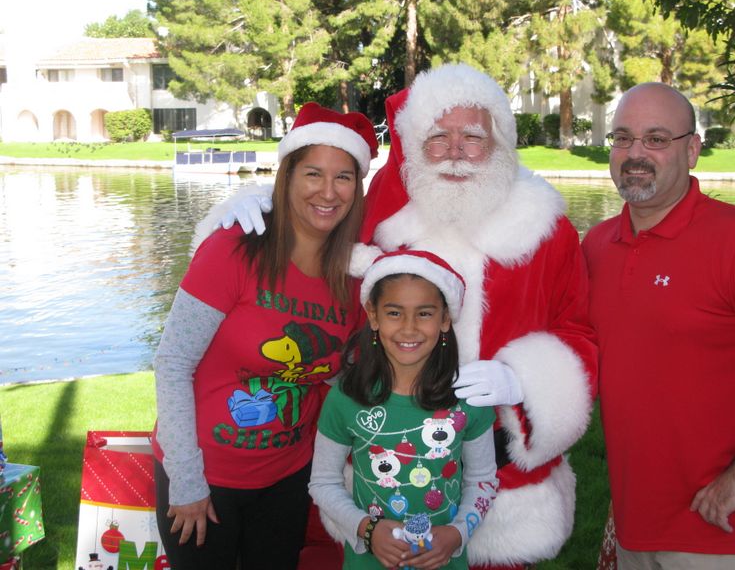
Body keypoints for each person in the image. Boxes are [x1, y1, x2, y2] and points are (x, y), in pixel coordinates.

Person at [199, 63, 598, 568]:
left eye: (472, 137)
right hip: (372, 464)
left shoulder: (545, 228)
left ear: (500, 140)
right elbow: (305, 233)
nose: (454, 151)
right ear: (413, 143)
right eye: (437, 138)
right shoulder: (378, 208)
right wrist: (260, 209)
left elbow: (576, 329)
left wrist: (525, 382)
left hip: (499, 482)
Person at [151, 102, 379, 569]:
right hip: (205, 478)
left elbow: (337, 378)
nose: (328, 192)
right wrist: (188, 481)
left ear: (358, 188)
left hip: (287, 479)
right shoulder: (233, 248)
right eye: (314, 173)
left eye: (344, 177)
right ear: (288, 177)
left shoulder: (353, 278)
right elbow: (173, 363)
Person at [582, 82, 735, 569]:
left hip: (722, 532)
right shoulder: (596, 246)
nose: (635, 154)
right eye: (622, 138)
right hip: (632, 524)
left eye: (657, 139)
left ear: (693, 150)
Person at [309, 249, 499, 569]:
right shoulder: (346, 397)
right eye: (395, 313)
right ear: (373, 315)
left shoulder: (468, 399)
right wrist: (367, 530)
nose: (409, 329)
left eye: (424, 313)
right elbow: (323, 482)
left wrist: (455, 534)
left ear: (445, 319)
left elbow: (482, 480)